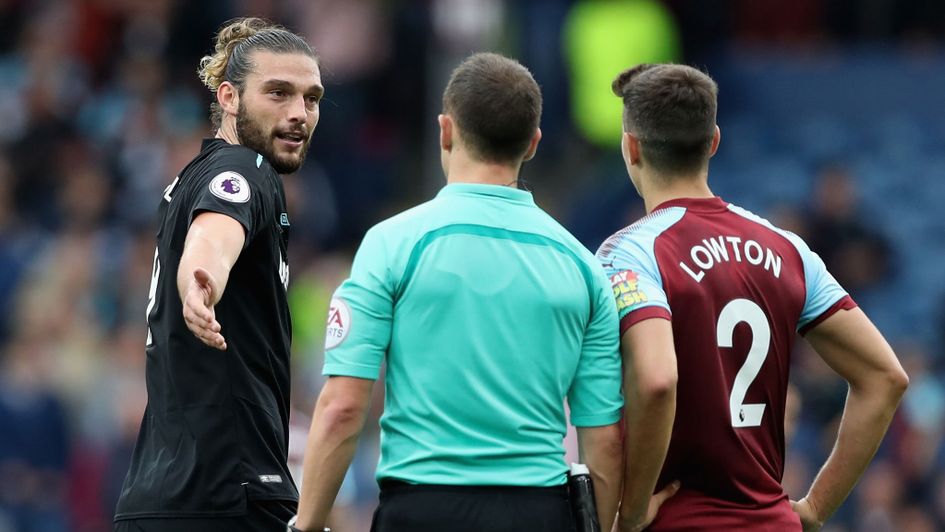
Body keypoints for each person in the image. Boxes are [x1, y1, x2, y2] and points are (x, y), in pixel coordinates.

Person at [291, 52, 624, 532]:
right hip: (539, 512)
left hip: (422, 511)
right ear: (533, 143)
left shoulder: (392, 244)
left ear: (445, 130)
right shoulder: (582, 266)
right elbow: (604, 438)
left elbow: (343, 407)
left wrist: (306, 525)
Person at [597, 63, 909, 532]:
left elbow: (657, 381)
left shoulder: (629, 253)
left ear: (631, 146)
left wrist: (635, 509)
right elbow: (886, 377)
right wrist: (816, 507)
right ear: (714, 141)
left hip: (680, 522)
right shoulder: (787, 248)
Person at [113, 17, 323, 532]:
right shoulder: (244, 169)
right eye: (278, 93)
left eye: (312, 98)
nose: (299, 113)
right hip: (229, 491)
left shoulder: (190, 177)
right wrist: (201, 282)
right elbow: (212, 239)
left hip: (156, 497)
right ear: (228, 97)